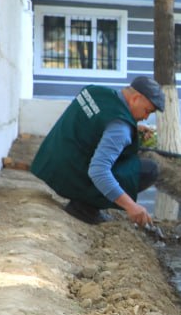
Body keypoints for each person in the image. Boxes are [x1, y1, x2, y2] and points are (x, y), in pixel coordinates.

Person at [30, 76, 164, 226]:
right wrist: (131, 206)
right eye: (147, 111)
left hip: (50, 164)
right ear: (136, 98)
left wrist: (134, 129)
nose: (145, 117)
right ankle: (85, 208)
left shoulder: (94, 91)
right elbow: (98, 170)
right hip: (71, 178)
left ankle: (86, 200)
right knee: (148, 170)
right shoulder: (120, 128)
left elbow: (93, 124)